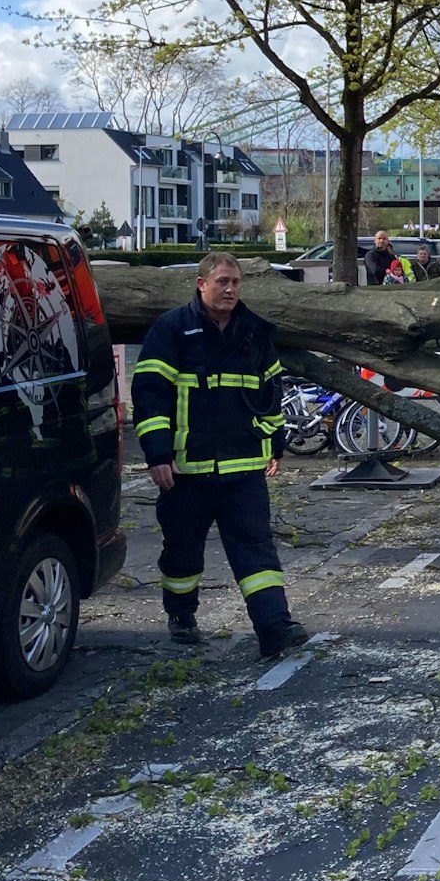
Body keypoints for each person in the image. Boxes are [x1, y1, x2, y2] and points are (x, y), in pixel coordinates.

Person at [133, 254, 308, 659]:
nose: (230, 289)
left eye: (236, 282)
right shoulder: (172, 329)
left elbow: (271, 392)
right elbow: (149, 394)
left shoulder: (254, 331)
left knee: (256, 551)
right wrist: (157, 454)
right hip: (186, 470)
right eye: (222, 282)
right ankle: (181, 614)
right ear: (201, 284)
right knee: (182, 551)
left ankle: (275, 628)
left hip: (243, 468)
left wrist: (274, 442)